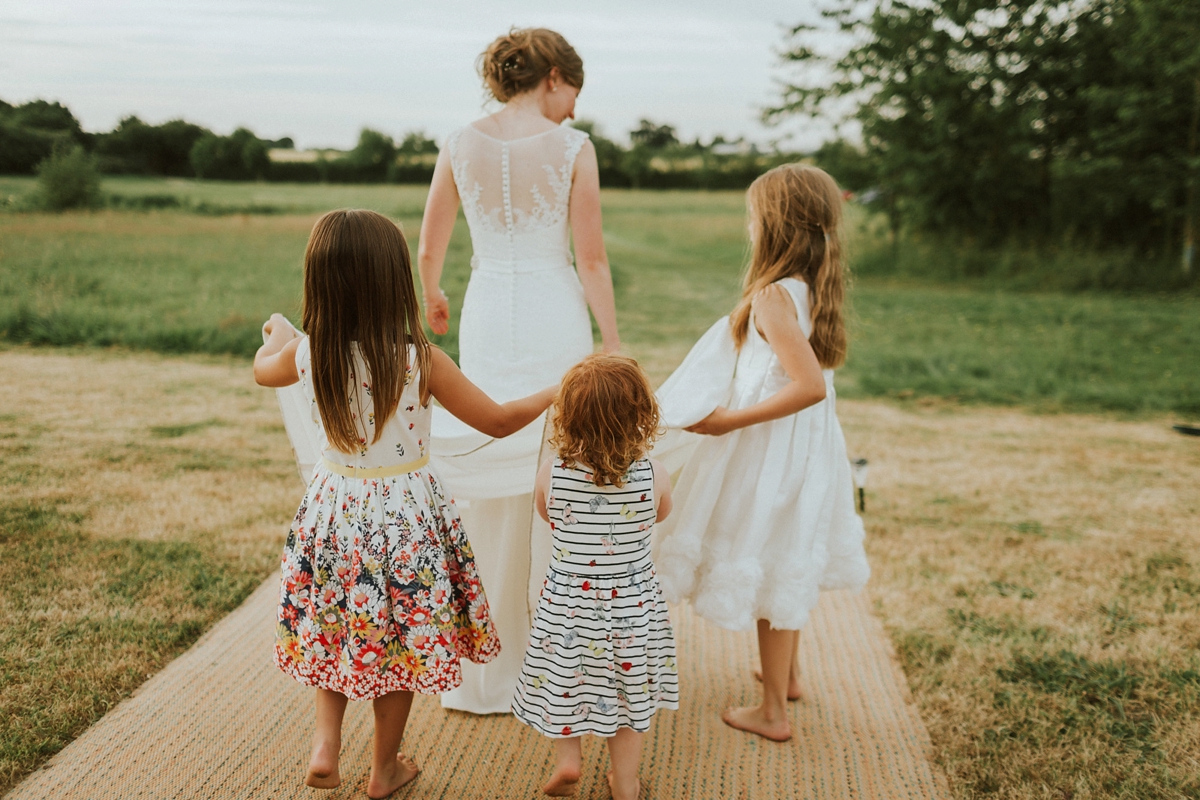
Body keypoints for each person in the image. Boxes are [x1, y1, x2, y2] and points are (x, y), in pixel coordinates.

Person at [253, 209, 556, 797]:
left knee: (341, 623)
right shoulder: (420, 361)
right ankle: (383, 768)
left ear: (320, 283)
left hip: (334, 509)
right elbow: (496, 420)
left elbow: (263, 370)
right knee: (403, 640)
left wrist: (280, 338)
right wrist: (556, 388)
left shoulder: (308, 355)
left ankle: (325, 746)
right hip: (406, 517)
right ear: (395, 282)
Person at [418, 27, 620, 715]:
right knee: (555, 464)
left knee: (488, 455)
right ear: (555, 76)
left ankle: (483, 661)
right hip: (552, 308)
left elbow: (429, 248)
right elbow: (590, 259)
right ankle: (553, 656)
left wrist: (434, 295)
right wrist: (612, 342)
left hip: (486, 310)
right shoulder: (573, 148)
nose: (572, 110)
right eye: (573, 95)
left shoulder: (458, 140)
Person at [653, 164, 871, 742]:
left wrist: (726, 421)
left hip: (772, 452)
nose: (748, 226)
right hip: (803, 451)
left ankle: (773, 711)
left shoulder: (773, 296)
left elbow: (807, 386)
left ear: (772, 223)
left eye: (753, 215)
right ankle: (790, 676)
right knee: (786, 552)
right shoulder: (808, 286)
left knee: (769, 558)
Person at [512, 354, 677, 800]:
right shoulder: (653, 474)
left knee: (565, 681)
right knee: (627, 697)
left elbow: (546, 513)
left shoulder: (553, 473)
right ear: (642, 415)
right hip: (632, 609)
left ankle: (569, 761)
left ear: (566, 418)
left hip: (569, 606)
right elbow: (662, 513)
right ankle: (624, 783)